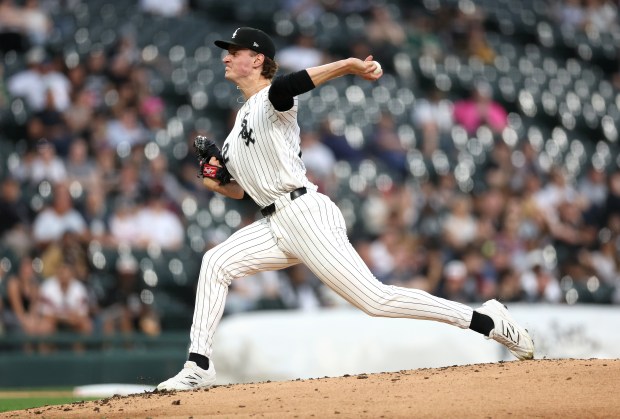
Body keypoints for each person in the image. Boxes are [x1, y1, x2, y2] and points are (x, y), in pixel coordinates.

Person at [157, 27, 534, 391]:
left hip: (305, 213)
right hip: (275, 222)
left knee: (375, 300)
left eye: (234, 52)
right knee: (215, 263)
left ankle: (487, 321)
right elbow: (240, 191)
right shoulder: (236, 127)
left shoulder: (271, 99)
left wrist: (348, 65)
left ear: (256, 60)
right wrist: (213, 177)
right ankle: (198, 365)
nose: (226, 57)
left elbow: (292, 85)